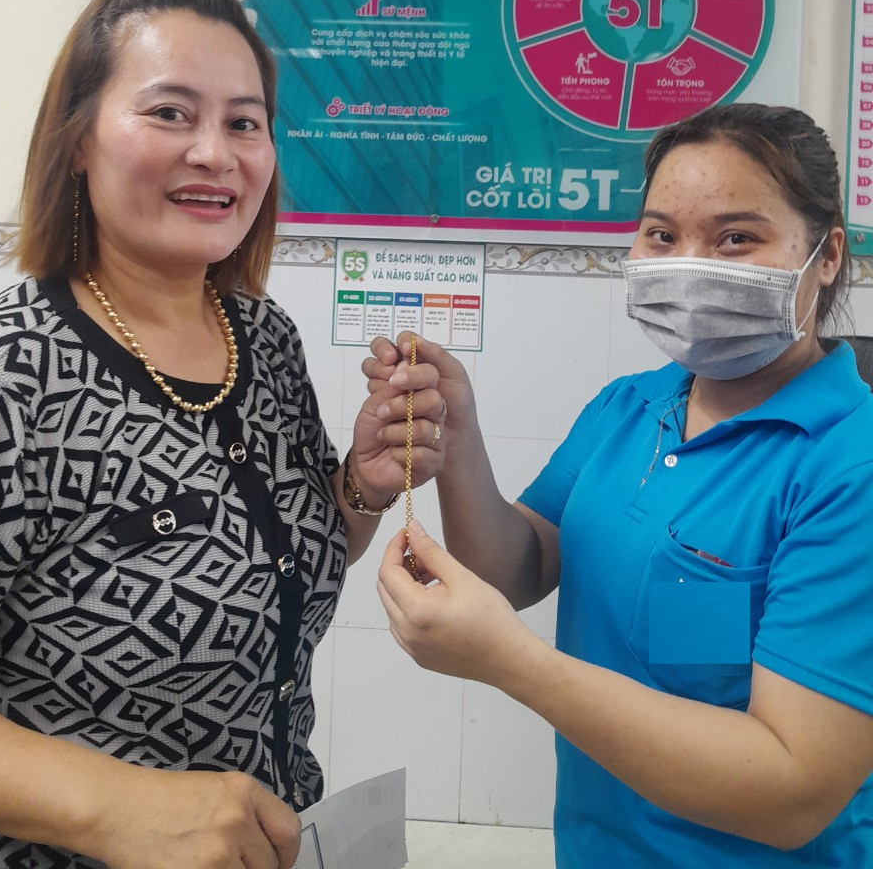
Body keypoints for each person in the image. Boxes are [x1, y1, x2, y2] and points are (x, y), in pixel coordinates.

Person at [0, 0, 442, 869]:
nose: (214, 153)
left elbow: (273, 559)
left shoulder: (262, 340)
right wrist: (114, 807)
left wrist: (360, 486)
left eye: (244, 122)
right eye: (170, 113)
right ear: (77, 142)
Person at [369, 103, 873, 867]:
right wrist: (458, 438)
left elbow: (793, 791)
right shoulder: (631, 405)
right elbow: (520, 566)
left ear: (827, 254)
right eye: (662, 235)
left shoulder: (848, 467)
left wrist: (513, 663)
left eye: (736, 238)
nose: (690, 265)